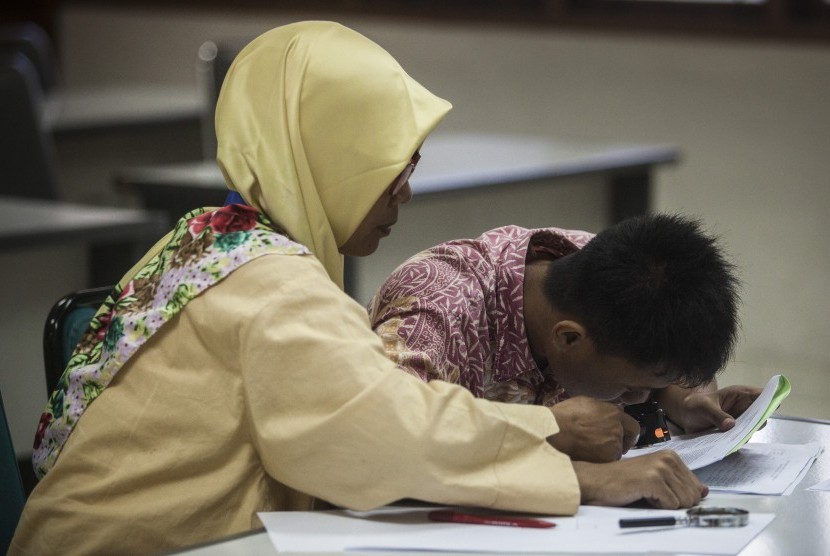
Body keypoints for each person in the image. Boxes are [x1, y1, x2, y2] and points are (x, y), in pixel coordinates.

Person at [11, 22, 707, 555]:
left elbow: (377, 408)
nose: (405, 190)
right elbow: (382, 438)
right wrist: (581, 475)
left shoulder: (213, 234)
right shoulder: (274, 285)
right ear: (322, 157)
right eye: (384, 166)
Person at [369, 218, 764, 463]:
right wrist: (548, 430)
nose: (639, 400)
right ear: (569, 338)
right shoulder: (437, 309)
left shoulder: (603, 274)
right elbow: (379, 436)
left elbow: (654, 360)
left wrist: (680, 398)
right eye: (631, 389)